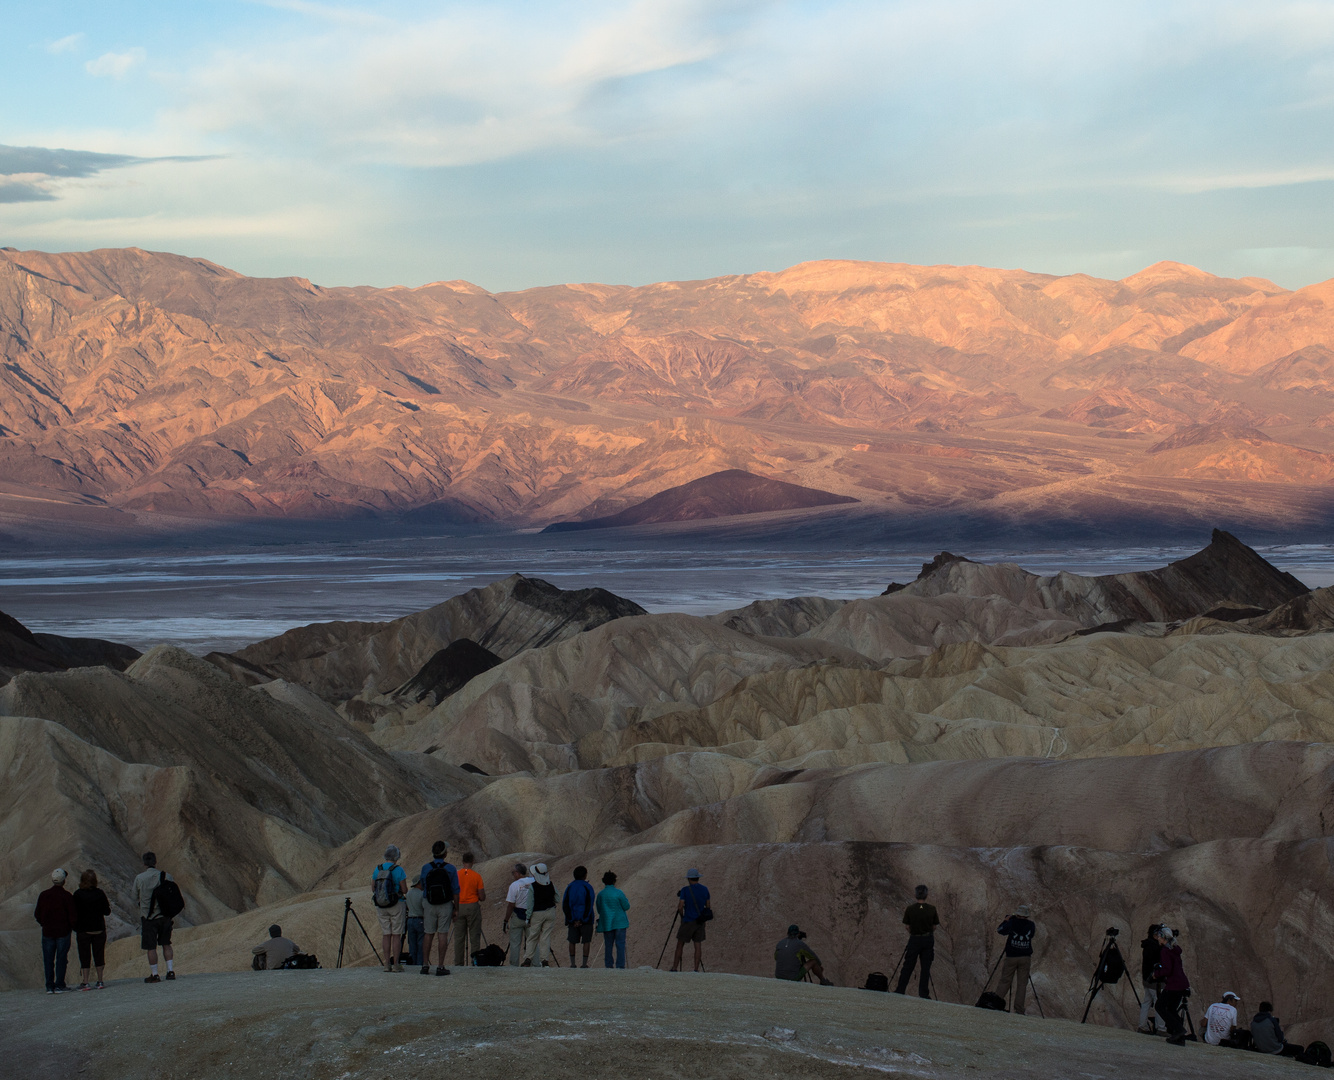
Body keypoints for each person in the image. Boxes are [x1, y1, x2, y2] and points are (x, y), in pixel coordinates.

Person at [133, 851, 177, 983]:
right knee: (166, 944)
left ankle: (155, 974)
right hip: (165, 916)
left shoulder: (140, 878)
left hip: (148, 918)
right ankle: (170, 971)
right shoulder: (166, 876)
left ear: (144, 863)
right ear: (155, 862)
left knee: (151, 947)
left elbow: (134, 897)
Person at [34, 868, 77, 994]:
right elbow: (73, 916)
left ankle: (49, 986)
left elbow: (37, 914)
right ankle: (59, 985)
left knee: (48, 959)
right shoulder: (67, 896)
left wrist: (45, 924)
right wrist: (70, 927)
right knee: (61, 958)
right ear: (64, 881)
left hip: (48, 932)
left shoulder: (44, 895)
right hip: (63, 933)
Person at [419, 841, 458, 976]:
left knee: (428, 933)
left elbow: (423, 886)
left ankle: (425, 965)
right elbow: (455, 890)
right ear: (445, 853)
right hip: (445, 904)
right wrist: (456, 908)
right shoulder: (451, 869)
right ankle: (440, 966)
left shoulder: (425, 868)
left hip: (429, 903)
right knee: (442, 934)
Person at [894, 885, 939, 998]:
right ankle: (923, 994)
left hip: (914, 939)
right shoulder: (932, 909)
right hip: (927, 940)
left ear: (915, 895)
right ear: (926, 895)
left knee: (908, 965)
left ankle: (900, 990)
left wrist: (914, 933)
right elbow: (934, 927)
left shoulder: (910, 909)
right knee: (925, 967)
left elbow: (907, 926)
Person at [371, 844, 407, 973]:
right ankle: (396, 964)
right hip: (396, 904)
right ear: (397, 856)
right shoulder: (399, 870)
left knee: (386, 934)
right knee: (396, 935)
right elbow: (404, 890)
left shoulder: (378, 869)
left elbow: (373, 887)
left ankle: (386, 964)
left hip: (381, 906)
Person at [993, 904, 1035, 1014]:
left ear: (1017, 914)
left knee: (1005, 980)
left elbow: (1000, 930)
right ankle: (1019, 1009)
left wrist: (1006, 921)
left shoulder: (1012, 922)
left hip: (1011, 957)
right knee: (1022, 984)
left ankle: (996, 1004)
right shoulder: (1031, 925)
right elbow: (1032, 935)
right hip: (1025, 957)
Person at [72, 869, 111, 990]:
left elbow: (74, 913)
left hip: (83, 930)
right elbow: (107, 911)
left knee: (84, 955)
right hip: (98, 929)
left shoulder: (78, 894)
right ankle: (100, 981)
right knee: (99, 955)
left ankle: (86, 982)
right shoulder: (100, 893)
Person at [1152, 926, 1190, 1045]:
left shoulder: (1165, 951)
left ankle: (1179, 1030)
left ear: (1163, 938)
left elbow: (1167, 970)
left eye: (1159, 936)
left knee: (1160, 1006)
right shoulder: (1174, 949)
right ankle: (1179, 1036)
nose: (1158, 939)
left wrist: (1156, 974)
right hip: (1182, 983)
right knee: (1172, 1009)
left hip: (1173, 984)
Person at [670, 869, 710, 973]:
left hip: (688, 920)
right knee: (697, 945)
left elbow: (680, 907)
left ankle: (674, 968)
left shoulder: (685, 890)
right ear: (698, 878)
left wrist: (682, 917)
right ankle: (695, 969)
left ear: (688, 879)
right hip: (700, 922)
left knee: (680, 944)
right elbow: (708, 907)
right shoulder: (705, 889)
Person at [522, 863, 558, 967]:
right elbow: (557, 898)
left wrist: (528, 918)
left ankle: (528, 959)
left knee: (533, 936)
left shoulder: (533, 887)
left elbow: (530, 904)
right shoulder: (551, 884)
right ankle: (544, 960)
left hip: (537, 913)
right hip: (550, 912)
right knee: (545, 937)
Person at [453, 852, 485, 966]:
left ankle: (458, 963)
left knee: (459, 937)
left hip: (459, 906)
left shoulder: (456, 875)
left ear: (462, 861)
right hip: (472, 906)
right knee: (474, 935)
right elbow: (482, 897)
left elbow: (453, 892)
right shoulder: (477, 876)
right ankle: (475, 961)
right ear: (472, 861)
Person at [595, 870, 630, 969]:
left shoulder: (601, 894)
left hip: (607, 923)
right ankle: (620, 966)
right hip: (620, 922)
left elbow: (599, 909)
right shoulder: (619, 893)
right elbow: (626, 906)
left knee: (608, 945)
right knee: (620, 945)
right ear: (614, 881)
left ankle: (609, 965)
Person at [563, 865, 597, 968]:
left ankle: (573, 964)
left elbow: (565, 904)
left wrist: (571, 919)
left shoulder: (569, 887)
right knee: (586, 941)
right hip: (586, 920)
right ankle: (584, 964)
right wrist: (583, 919)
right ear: (585, 875)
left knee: (572, 941)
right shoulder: (587, 887)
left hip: (572, 920)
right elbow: (589, 904)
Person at [503, 862, 533, 967]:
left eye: (513, 873)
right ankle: (536, 964)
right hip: (531, 915)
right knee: (532, 941)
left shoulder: (514, 885)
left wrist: (506, 920)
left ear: (517, 873)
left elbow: (511, 905)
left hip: (518, 915)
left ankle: (514, 966)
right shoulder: (534, 881)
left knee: (515, 943)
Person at [1137, 924, 1164, 1034]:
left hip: (1146, 979)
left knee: (1146, 1002)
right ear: (1155, 934)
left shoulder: (1148, 945)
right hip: (1154, 979)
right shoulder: (1155, 947)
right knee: (1159, 1003)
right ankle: (1161, 1028)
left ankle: (1142, 1026)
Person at [405, 875, 425, 967]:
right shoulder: (422, 894)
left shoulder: (408, 893)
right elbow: (424, 907)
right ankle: (419, 964)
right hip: (420, 919)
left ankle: (412, 964)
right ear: (419, 883)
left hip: (410, 920)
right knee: (421, 944)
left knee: (412, 944)